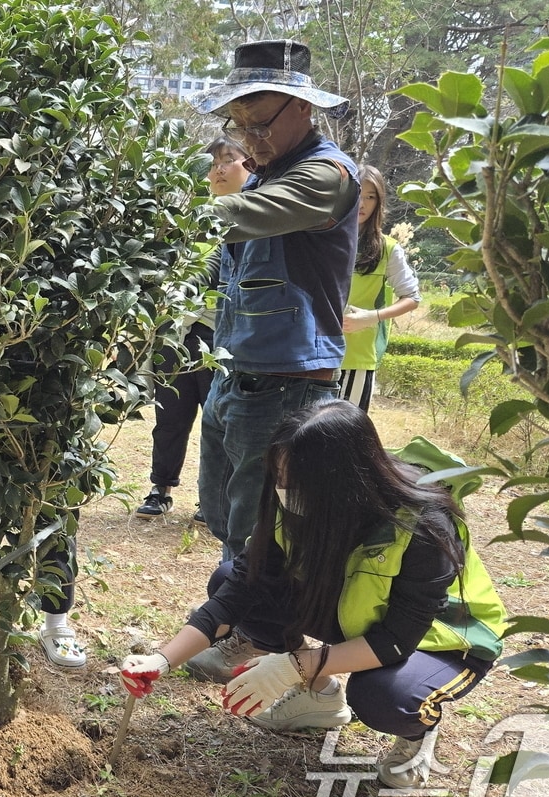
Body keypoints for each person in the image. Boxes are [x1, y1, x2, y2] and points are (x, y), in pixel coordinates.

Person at [119, 400, 508, 789]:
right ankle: (319, 697)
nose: (283, 489)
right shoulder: (295, 501)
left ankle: (416, 733)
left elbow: (395, 641)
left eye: (295, 480)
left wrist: (294, 665)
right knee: (228, 579)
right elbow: (241, 586)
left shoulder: (423, 524)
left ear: (343, 481)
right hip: (354, 615)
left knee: (384, 696)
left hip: (440, 640)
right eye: (279, 475)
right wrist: (163, 659)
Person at [185, 40, 360, 680]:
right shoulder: (264, 174)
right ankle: (234, 616)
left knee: (267, 526)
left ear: (303, 109)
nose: (250, 137)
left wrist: (147, 213)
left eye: (262, 121)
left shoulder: (327, 177)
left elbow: (239, 216)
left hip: (288, 386)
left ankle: (263, 640)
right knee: (225, 511)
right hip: (235, 378)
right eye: (238, 124)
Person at [134, 136, 249, 522]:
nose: (218, 168)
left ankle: (212, 497)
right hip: (178, 333)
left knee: (219, 420)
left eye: (228, 159)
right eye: (214, 161)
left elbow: (214, 272)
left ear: (249, 166)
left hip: (222, 338)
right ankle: (159, 488)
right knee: (170, 418)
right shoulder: (190, 218)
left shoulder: (255, 215)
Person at [337, 164, 421, 411]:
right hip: (310, 353)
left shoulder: (388, 249)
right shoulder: (320, 240)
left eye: (370, 197)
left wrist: (371, 317)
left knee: (346, 437)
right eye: (356, 195)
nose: (361, 204)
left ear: (378, 202)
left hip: (356, 357)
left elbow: (412, 297)